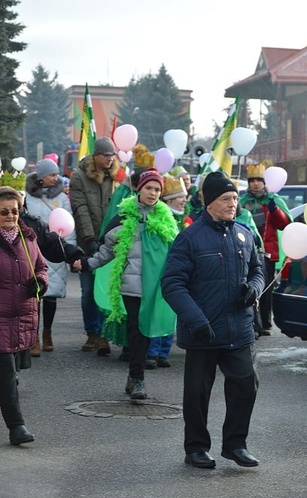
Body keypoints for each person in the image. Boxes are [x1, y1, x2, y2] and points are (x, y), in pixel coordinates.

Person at [162, 171, 265, 470]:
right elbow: (172, 284)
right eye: (225, 199)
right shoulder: (190, 238)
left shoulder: (244, 234)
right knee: (197, 394)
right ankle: (195, 447)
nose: (233, 203)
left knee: (246, 385)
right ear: (208, 202)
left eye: (234, 198)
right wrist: (196, 320)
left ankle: (235, 444)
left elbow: (258, 270)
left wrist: (254, 288)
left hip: (239, 329)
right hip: (202, 331)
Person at [75, 169, 178, 400]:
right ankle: (138, 378)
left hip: (155, 287)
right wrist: (88, 264)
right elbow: (108, 249)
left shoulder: (167, 219)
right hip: (131, 286)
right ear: (139, 189)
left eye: (157, 189)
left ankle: (134, 376)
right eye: (149, 188)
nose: (153, 193)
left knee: (147, 331)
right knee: (137, 332)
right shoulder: (124, 216)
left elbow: (176, 252)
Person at [0, 185, 47, 445]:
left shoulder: (28, 239)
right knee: (6, 373)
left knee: (10, 372)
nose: (10, 216)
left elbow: (41, 266)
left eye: (15, 211)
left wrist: (40, 281)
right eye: (4, 212)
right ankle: (17, 427)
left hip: (21, 316)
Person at [69, 136, 121, 356]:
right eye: (106, 155)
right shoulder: (79, 177)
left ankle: (103, 336)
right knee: (89, 290)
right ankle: (92, 332)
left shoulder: (117, 178)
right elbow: (80, 210)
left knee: (107, 290)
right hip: (87, 243)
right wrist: (90, 240)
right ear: (95, 155)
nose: (110, 159)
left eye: (112, 155)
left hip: (111, 241)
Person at [24, 158, 75, 355]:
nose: (56, 178)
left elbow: (68, 222)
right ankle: (33, 336)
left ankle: (48, 332)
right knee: (35, 294)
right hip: (33, 250)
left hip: (54, 249)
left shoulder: (61, 197)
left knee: (51, 295)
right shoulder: (28, 197)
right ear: (41, 177)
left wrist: (69, 250)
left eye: (56, 174)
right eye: (52, 175)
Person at [239, 160, 292, 334]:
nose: (255, 183)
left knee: (266, 288)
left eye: (258, 180)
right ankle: (254, 323)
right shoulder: (243, 201)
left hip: (267, 251)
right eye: (252, 180)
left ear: (264, 182)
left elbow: (284, 224)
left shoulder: (273, 199)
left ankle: (265, 322)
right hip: (246, 249)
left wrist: (274, 209)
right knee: (248, 286)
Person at [145, 175, 189, 370]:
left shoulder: (186, 219)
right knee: (156, 311)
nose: (184, 201)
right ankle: (152, 352)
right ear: (169, 200)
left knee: (171, 312)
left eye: (185, 198)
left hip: (177, 271)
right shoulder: (160, 217)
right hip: (158, 270)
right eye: (180, 198)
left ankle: (163, 352)